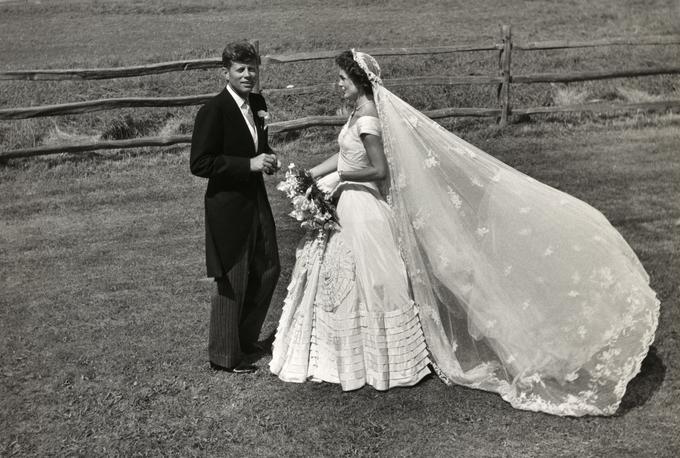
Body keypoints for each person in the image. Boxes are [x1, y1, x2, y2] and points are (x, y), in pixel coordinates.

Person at [270, 49, 660, 416]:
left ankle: (381, 360)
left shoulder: (369, 116)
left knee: (370, 280)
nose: (338, 84)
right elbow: (345, 153)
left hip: (363, 205)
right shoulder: (356, 112)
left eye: (342, 79)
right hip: (348, 200)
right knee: (347, 277)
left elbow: (378, 170)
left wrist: (341, 176)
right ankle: (348, 355)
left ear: (359, 81)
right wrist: (312, 176)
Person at [190, 41, 280, 374]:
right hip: (227, 207)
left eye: (252, 68)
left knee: (270, 268)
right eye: (240, 69)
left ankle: (244, 339)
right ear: (226, 72)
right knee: (234, 278)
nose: (247, 75)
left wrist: (267, 158)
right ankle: (225, 357)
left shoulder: (258, 102)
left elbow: (259, 146)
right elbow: (200, 163)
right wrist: (248, 165)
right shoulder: (214, 110)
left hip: (256, 198)